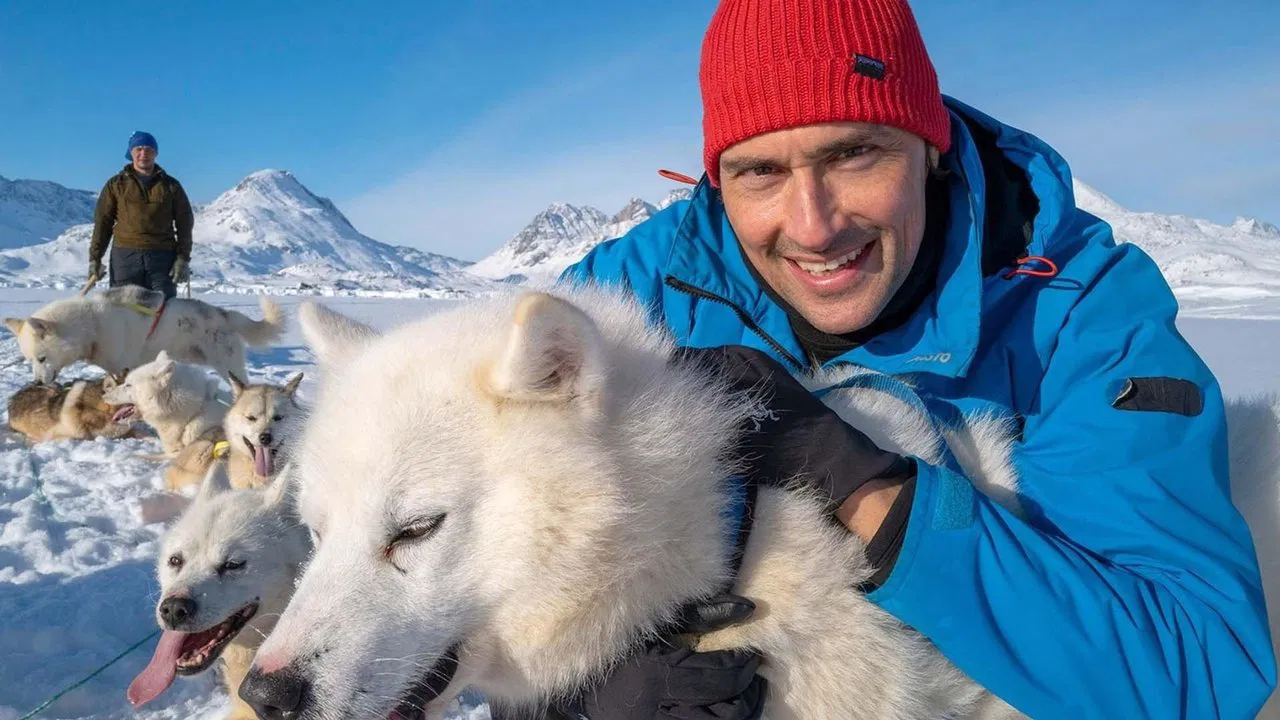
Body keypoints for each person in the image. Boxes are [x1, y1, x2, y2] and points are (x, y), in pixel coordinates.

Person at [553, 0, 1278, 718]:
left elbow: (1193, 677)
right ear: (718, 181)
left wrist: (867, 487)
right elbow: (504, 553)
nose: (813, 226)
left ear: (931, 146)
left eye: (853, 153)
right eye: (760, 171)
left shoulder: (1076, 317)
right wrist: (571, 695)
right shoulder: (626, 302)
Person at [89, 130, 194, 299]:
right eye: (138, 149)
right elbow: (103, 223)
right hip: (125, 256)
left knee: (163, 307)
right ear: (131, 153)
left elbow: (185, 223)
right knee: (123, 307)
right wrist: (95, 258)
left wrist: (183, 258)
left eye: (149, 150)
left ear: (156, 153)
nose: (143, 154)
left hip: (162, 257)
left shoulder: (171, 186)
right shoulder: (116, 185)